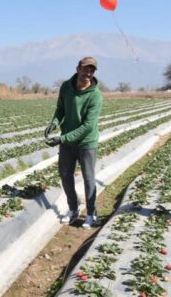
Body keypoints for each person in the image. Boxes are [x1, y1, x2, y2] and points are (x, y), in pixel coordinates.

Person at [45, 57, 103, 229]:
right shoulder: (66, 87)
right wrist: (54, 123)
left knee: (88, 178)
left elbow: (87, 127)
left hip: (86, 143)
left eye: (92, 70)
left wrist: (61, 138)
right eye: (85, 69)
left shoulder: (95, 96)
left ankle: (91, 213)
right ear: (78, 68)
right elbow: (60, 109)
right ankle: (73, 208)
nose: (88, 73)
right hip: (68, 143)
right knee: (65, 174)